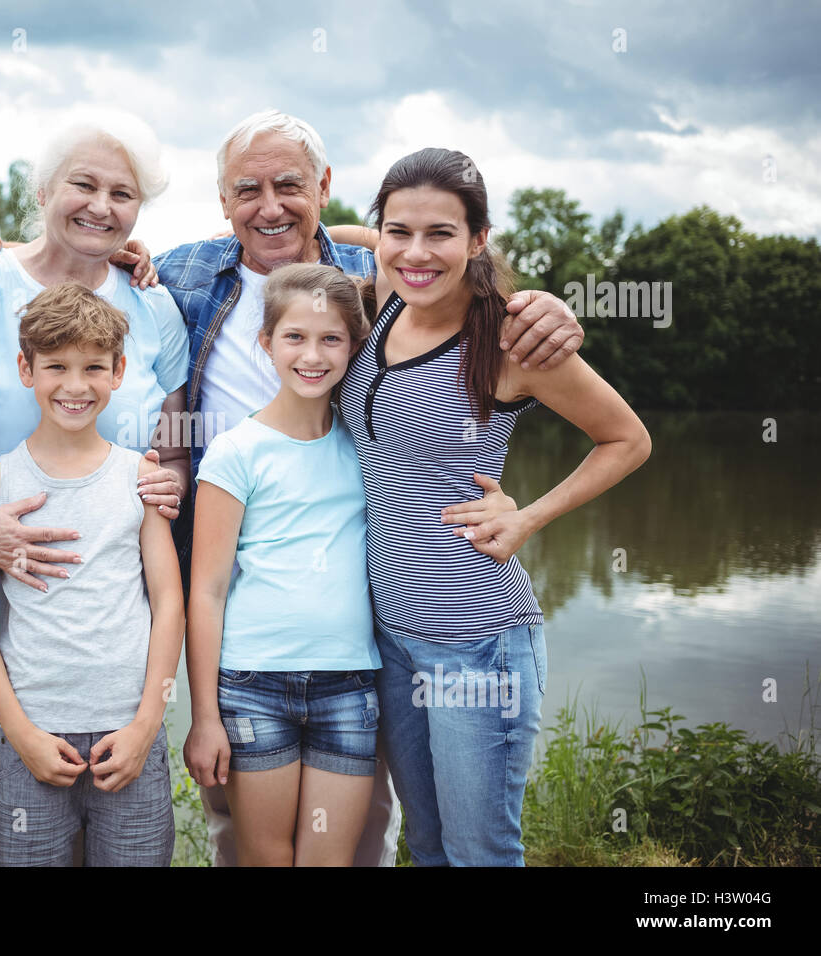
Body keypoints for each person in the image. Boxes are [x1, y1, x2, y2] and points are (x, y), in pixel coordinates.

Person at [151, 109, 585, 867]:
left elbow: (435, 250)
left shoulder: (375, 289)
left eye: (291, 186)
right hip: (259, 637)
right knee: (254, 842)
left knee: (368, 839)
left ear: (324, 188)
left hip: (369, 637)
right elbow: (85, 276)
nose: (270, 205)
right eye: (246, 189)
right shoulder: (179, 275)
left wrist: (542, 302)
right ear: (221, 198)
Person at [339, 147, 651, 865]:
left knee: (480, 850)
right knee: (429, 845)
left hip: (478, 643)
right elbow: (365, 240)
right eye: (399, 231)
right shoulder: (386, 302)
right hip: (391, 639)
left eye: (441, 234)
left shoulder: (511, 340)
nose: (417, 252)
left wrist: (528, 518)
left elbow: (626, 440)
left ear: (479, 239)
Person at [0, 110, 190, 866]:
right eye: (84, 184)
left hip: (106, 590)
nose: (102, 206)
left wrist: (166, 485)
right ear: (44, 189)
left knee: (112, 791)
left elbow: (173, 451)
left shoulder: (155, 306)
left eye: (123, 193)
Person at [0, 282, 183, 866]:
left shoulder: (141, 478)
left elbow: (169, 603)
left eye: (94, 367)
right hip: (34, 738)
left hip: (128, 736)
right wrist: (22, 734)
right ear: (25, 369)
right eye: (56, 365)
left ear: (118, 372)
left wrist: (144, 726)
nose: (76, 385)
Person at [184, 264, 386, 865]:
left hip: (348, 685)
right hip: (253, 687)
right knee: (266, 858)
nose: (313, 355)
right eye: (295, 336)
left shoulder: (368, 444)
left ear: (355, 347)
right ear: (266, 342)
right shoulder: (235, 451)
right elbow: (208, 590)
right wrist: (204, 719)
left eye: (332, 339)